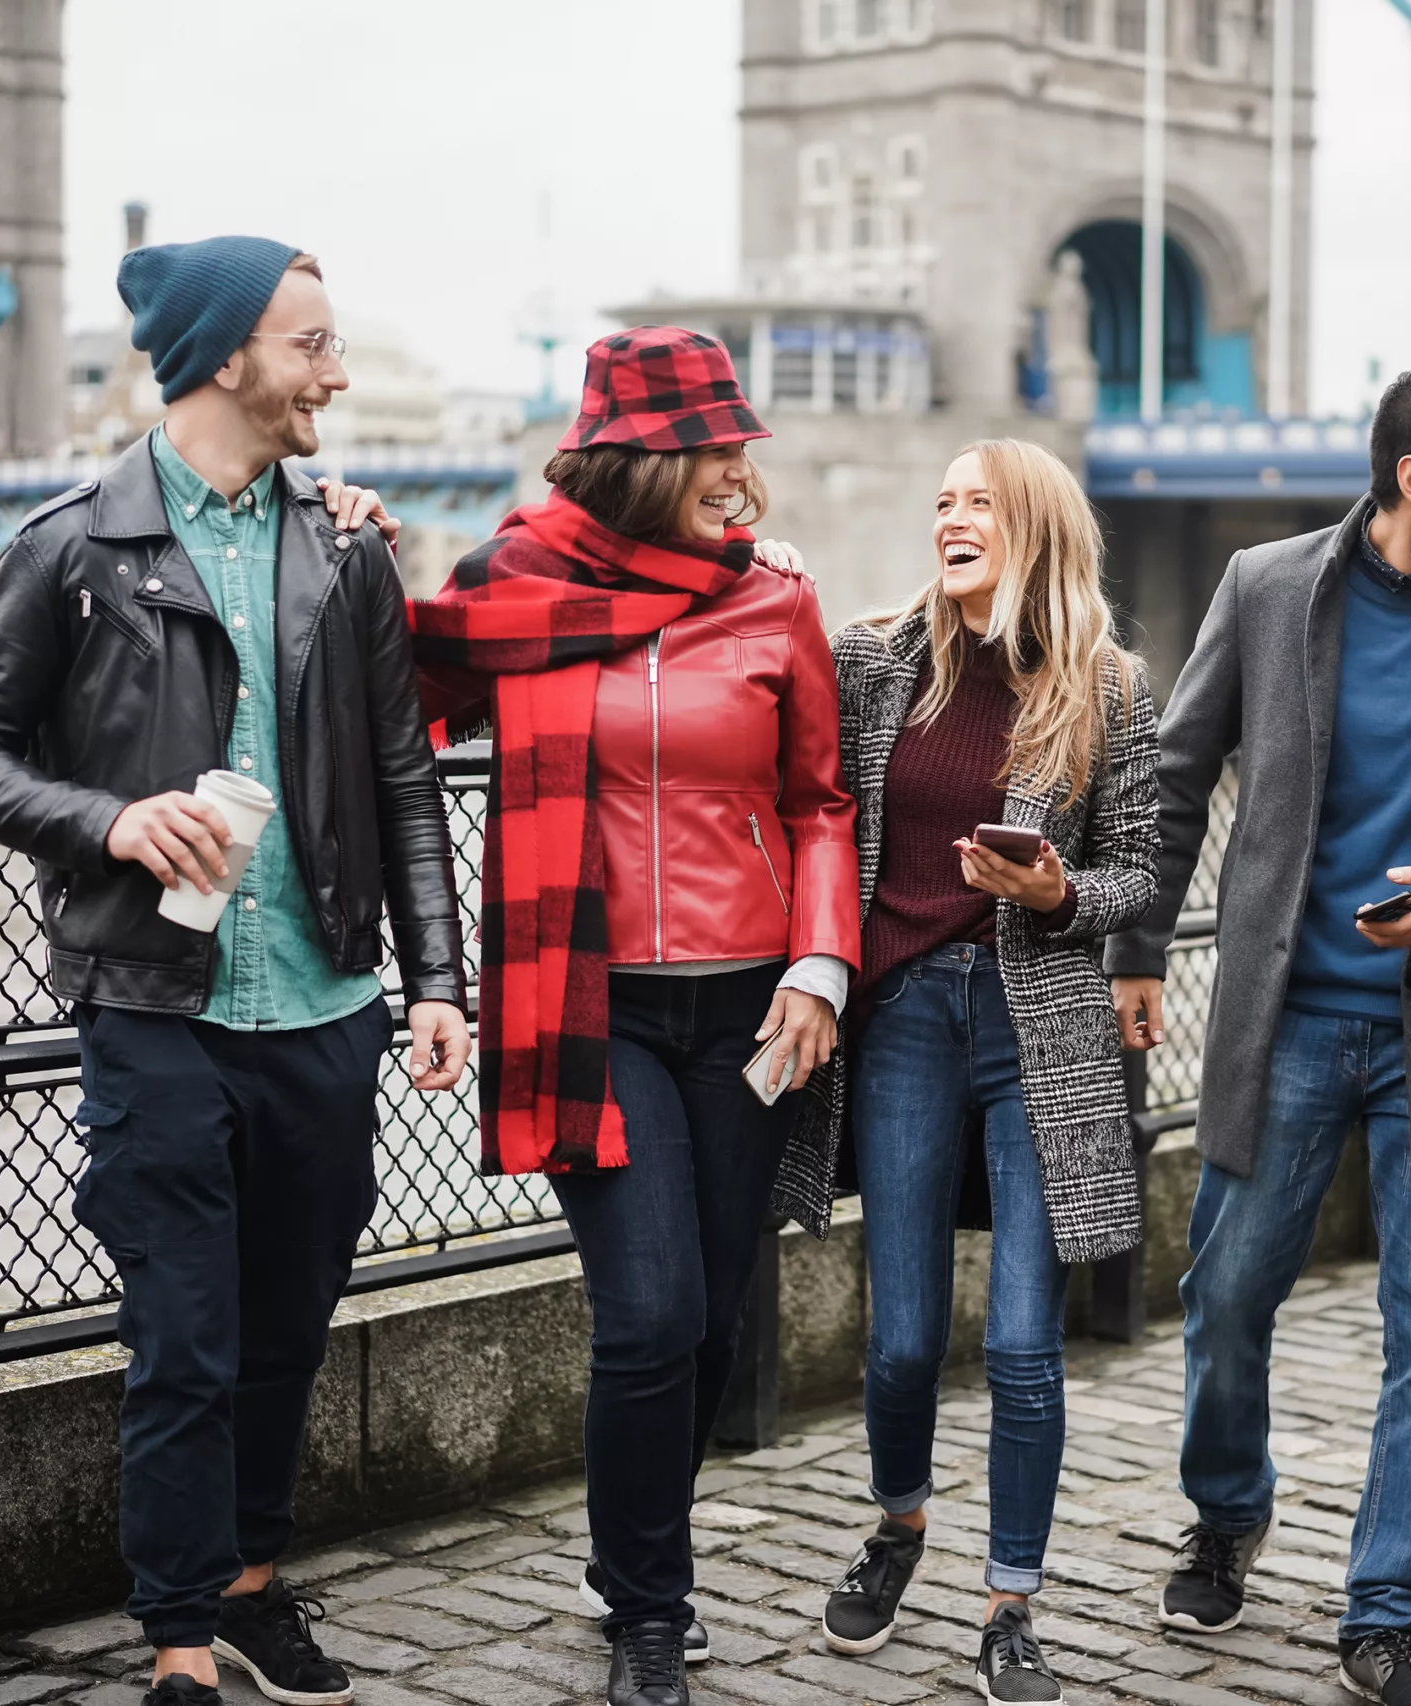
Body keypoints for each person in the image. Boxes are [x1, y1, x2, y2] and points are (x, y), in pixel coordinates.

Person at [0, 238, 472, 1706]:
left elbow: (405, 775)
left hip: (325, 1004)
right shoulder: (71, 544)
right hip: (151, 1006)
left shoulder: (347, 542)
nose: (336, 374)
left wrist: (437, 977)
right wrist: (109, 818)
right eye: (312, 346)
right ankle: (176, 1640)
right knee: (185, 1332)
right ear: (229, 355)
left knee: (288, 1325)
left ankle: (245, 1584)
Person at [1104, 364, 1411, 1706]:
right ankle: (1227, 1508)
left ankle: (1386, 1611)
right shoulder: (1271, 588)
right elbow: (1172, 766)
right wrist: (1138, 944)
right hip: (1287, 1025)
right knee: (1223, 1300)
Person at [406, 327, 858, 1706]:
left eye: (736, 448)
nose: (736, 475)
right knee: (648, 1315)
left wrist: (823, 961)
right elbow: (387, 706)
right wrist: (351, 542)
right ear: (634, 461)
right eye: (708, 451)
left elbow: (820, 801)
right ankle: (647, 1601)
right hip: (586, 1004)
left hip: (749, 1008)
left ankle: (631, 1551)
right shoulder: (515, 583)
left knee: (718, 1318)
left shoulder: (774, 602)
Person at [774, 440, 1158, 1706]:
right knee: (898, 1340)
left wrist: (1056, 891)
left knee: (1021, 1344)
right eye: (940, 501)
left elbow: (1139, 871)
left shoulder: (1107, 685)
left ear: (1034, 525)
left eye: (977, 502)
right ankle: (899, 1526)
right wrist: (758, 570)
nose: (951, 517)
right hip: (903, 1023)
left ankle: (1011, 1601)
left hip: (1034, 1027)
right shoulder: (876, 657)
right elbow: (798, 780)